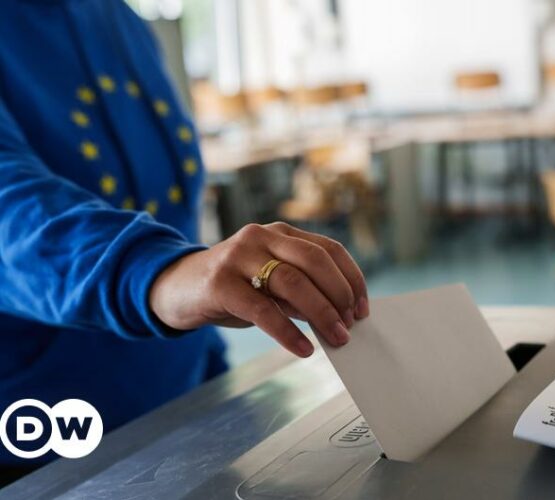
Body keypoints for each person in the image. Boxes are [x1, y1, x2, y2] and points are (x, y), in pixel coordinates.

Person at [0, 0, 368, 483]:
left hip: (183, 414)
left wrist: (216, 369)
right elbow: (13, 210)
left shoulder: (117, 16)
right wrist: (156, 271)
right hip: (41, 449)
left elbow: (174, 218)